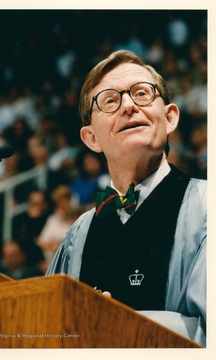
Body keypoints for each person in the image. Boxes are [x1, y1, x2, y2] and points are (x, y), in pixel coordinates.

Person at [46, 50, 206, 346]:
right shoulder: (78, 234)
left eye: (142, 94)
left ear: (169, 118)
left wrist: (113, 325)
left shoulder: (207, 208)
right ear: (91, 138)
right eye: (109, 100)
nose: (129, 105)